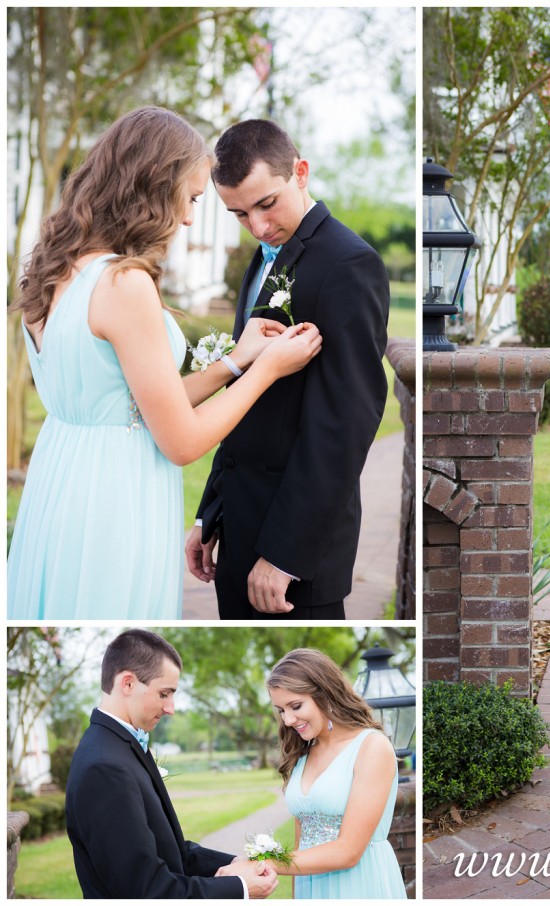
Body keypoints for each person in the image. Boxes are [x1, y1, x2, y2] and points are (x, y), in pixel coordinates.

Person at [8, 107, 322, 620]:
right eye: (192, 197)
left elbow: (130, 402)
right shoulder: (123, 283)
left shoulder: (54, 266)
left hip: (60, 480)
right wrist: (268, 370)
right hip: (115, 495)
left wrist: (236, 362)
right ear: (154, 186)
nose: (190, 217)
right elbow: (181, 441)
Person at [185, 120, 390, 619]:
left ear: (300, 172)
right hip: (239, 528)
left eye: (266, 204)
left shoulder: (349, 265)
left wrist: (284, 556)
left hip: (292, 554)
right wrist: (208, 516)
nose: (257, 227)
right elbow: (248, 403)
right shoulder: (262, 261)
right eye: (238, 214)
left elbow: (345, 425)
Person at [65, 629, 278, 898]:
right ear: (128, 683)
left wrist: (234, 864)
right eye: (164, 694)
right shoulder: (105, 767)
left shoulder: (120, 746)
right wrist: (241, 887)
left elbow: (170, 851)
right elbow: (145, 890)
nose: (171, 708)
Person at [240, 649, 406, 898]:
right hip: (311, 887)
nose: (288, 720)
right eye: (281, 710)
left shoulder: (371, 746)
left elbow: (348, 851)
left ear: (325, 694)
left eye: (295, 706)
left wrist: (265, 863)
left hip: (360, 884)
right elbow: (299, 844)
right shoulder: (302, 753)